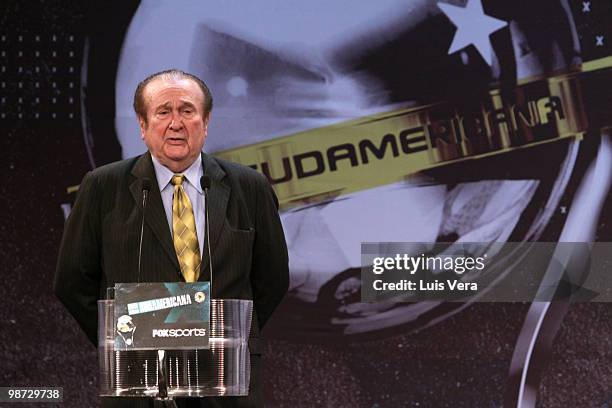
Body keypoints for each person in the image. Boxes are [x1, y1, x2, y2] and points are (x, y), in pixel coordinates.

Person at [54, 69, 289, 407]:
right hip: (139, 381)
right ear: (142, 123)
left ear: (205, 122)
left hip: (224, 381)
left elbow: (272, 278)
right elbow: (72, 281)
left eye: (188, 111)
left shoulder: (249, 187)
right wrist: (124, 339)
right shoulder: (103, 186)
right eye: (163, 111)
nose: (176, 123)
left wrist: (230, 336)